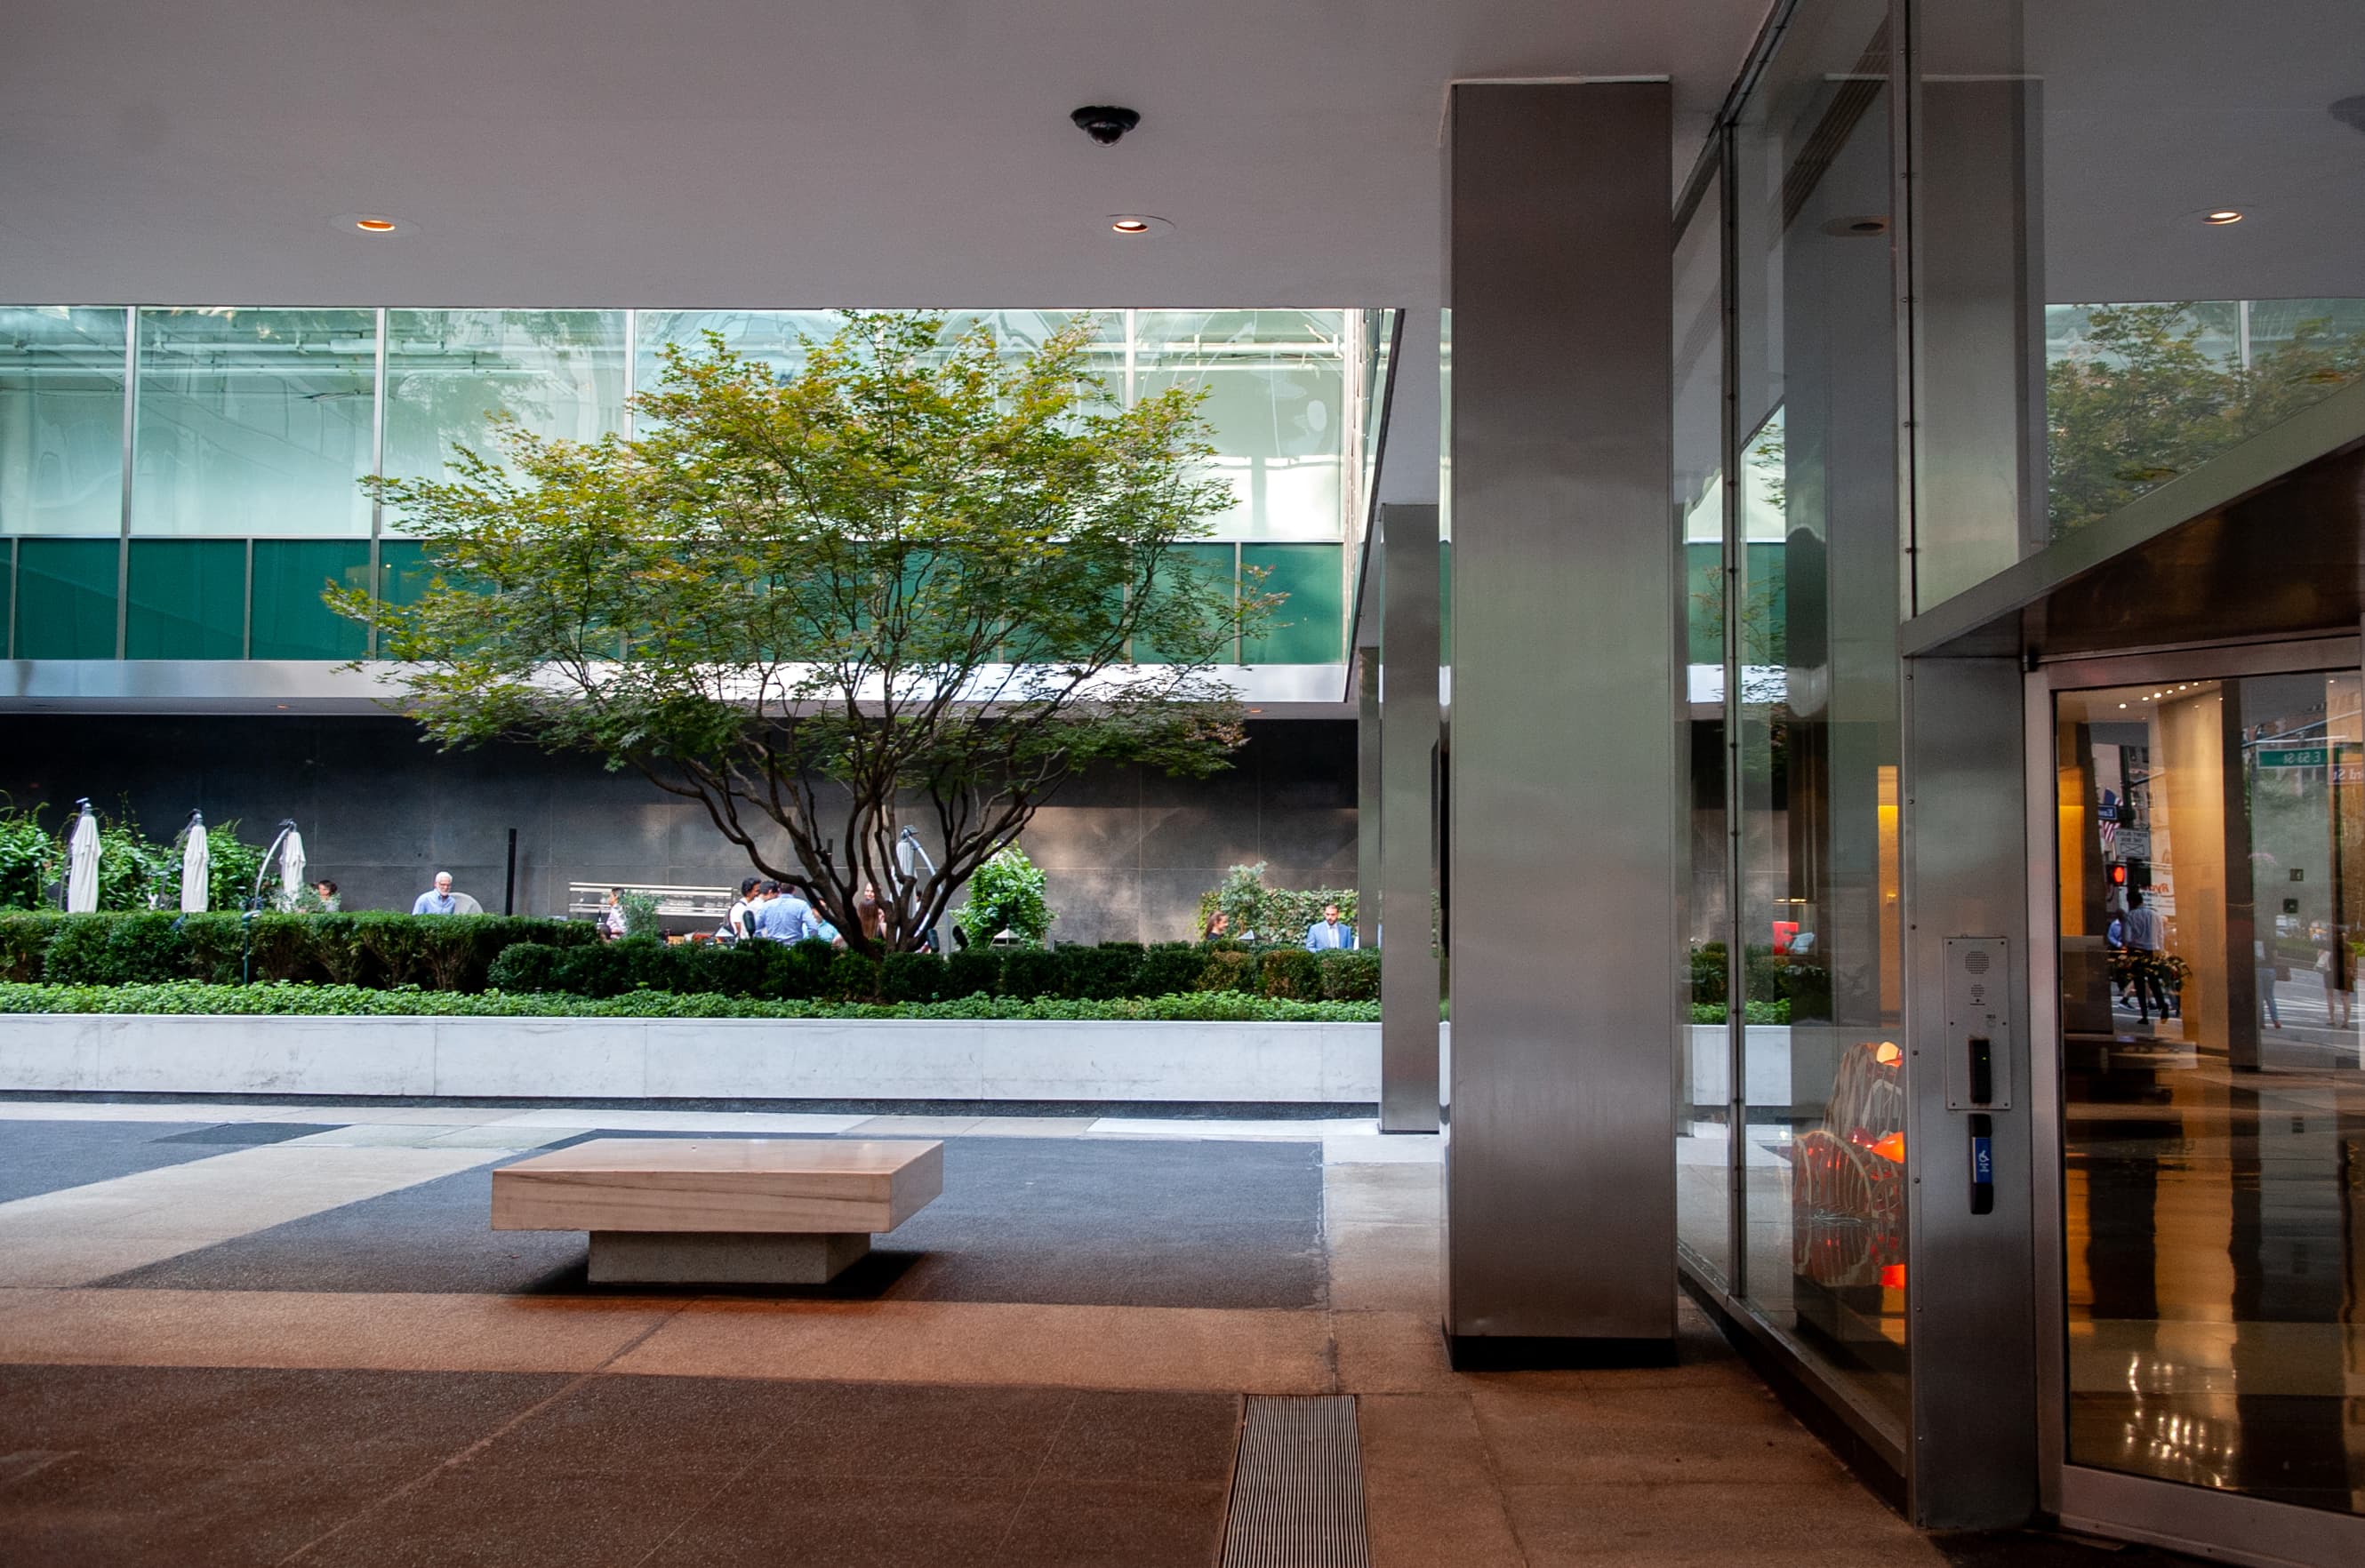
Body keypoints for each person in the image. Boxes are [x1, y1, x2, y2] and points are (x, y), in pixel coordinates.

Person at [2121, 891, 2170, 1023]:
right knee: (2154, 982)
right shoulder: (2155, 915)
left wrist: (2128, 946)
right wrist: (2160, 951)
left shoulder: (2130, 916)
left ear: (2131, 901)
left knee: (2139, 983)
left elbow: (2127, 938)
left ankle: (2144, 1015)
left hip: (2137, 952)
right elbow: (2160, 936)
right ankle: (2162, 1004)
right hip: (2153, 952)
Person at [753, 879, 814, 944]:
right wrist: (809, 943)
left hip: (774, 947)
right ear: (794, 890)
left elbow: (756, 927)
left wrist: (763, 942)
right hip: (795, 947)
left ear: (779, 890)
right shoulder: (802, 905)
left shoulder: (767, 905)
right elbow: (813, 927)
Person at [721, 876, 760, 941]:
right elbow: (739, 929)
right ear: (748, 892)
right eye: (757, 891)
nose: (759, 893)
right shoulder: (739, 908)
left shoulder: (756, 904)